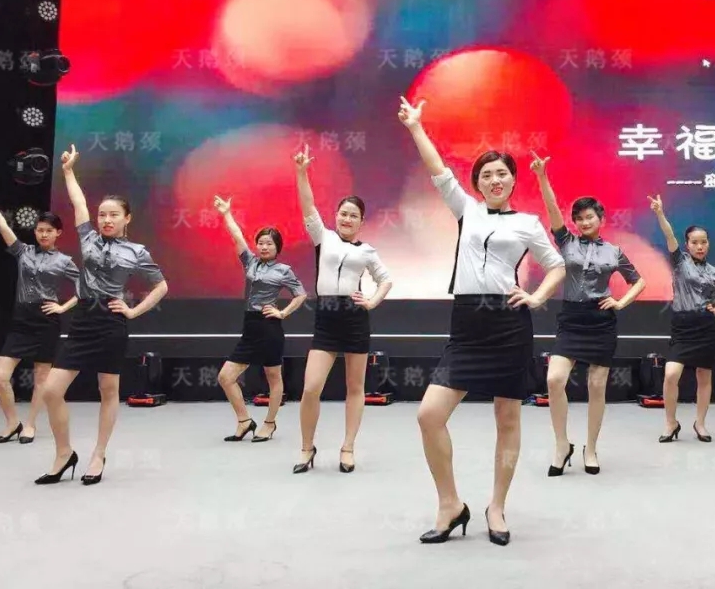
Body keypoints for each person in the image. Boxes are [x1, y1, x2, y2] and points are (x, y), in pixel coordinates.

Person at [399, 97, 566, 547]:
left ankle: (497, 506)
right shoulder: (466, 210)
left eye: (502, 173)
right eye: (487, 174)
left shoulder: (528, 222)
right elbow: (438, 171)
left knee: (507, 418)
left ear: (512, 180)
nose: (495, 179)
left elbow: (557, 265)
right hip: (468, 323)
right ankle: (450, 504)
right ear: (477, 183)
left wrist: (536, 297)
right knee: (429, 414)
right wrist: (416, 127)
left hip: (509, 325)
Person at [35, 145, 169, 486]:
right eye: (102, 215)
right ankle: (64, 453)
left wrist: (133, 311)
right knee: (51, 390)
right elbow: (78, 203)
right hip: (83, 320)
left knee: (108, 390)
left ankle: (98, 453)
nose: (106, 220)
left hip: (111, 322)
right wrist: (68, 171)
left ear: (127, 218)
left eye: (113, 215)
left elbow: (161, 286)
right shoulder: (88, 238)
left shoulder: (137, 252)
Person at [529, 153, 646, 476]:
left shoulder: (615, 252)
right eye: (579, 218)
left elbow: (638, 281)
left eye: (589, 217)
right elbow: (552, 209)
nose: (584, 222)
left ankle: (591, 448)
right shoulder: (566, 242)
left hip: (601, 322)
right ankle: (562, 444)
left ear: (600, 218)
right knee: (554, 379)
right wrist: (542, 176)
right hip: (571, 319)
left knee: (597, 387)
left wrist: (620, 303)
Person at [292, 145, 392, 474]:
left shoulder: (367, 251)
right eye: (343, 213)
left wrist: (372, 302)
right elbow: (307, 206)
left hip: (354, 320)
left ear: (362, 221)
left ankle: (348, 447)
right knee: (311, 388)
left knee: (355, 388)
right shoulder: (324, 238)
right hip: (326, 318)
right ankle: (307, 447)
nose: (347, 219)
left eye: (353, 215)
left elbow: (386, 280)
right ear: (336, 216)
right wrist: (302, 172)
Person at [0, 179, 78, 445]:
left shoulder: (64, 261)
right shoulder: (23, 252)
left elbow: (86, 287)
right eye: (39, 230)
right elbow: (2, 226)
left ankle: (30, 424)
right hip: (21, 319)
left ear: (58, 233)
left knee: (41, 378)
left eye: (48, 231)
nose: (43, 234)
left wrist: (62, 307)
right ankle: (12, 423)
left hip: (46, 321)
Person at [213, 196, 308, 443]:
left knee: (273, 378)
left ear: (277, 247)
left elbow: (301, 294)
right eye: (261, 243)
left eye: (269, 243)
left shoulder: (283, 270)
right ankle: (244, 421)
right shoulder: (250, 262)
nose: (264, 247)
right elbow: (237, 237)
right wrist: (226, 213)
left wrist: (282, 313)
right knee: (225, 377)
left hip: (269, 328)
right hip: (250, 326)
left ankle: (269, 423)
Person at [648, 194, 715, 444]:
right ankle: (670, 423)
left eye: (704, 242)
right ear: (687, 245)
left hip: (706, 327)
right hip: (682, 327)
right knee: (671, 374)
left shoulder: (714, 271)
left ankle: (700, 423)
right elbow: (669, 236)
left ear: (708, 244)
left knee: (704, 377)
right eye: (694, 242)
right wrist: (660, 213)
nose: (700, 246)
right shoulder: (680, 262)